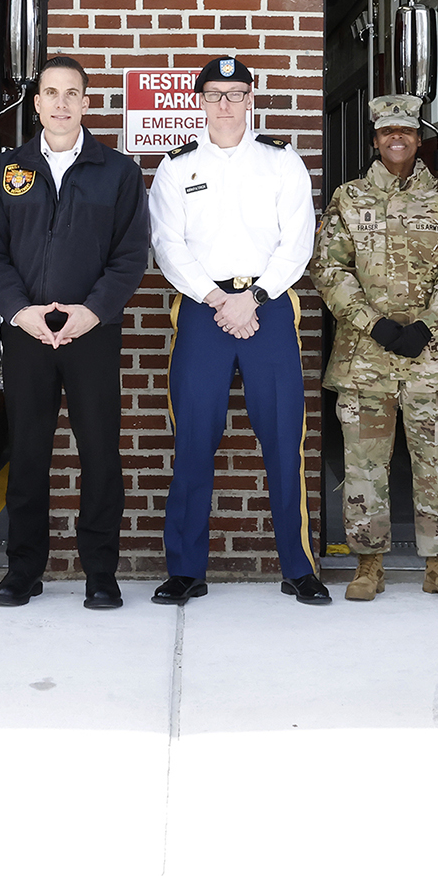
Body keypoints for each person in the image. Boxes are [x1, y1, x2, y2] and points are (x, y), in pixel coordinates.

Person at [147, 56, 327, 606]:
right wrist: (217, 298)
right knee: (193, 439)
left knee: (284, 442)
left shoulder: (281, 161)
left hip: (267, 307)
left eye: (235, 93)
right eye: (214, 94)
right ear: (198, 101)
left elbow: (298, 239)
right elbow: (167, 244)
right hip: (203, 310)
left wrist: (255, 297)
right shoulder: (176, 167)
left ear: (251, 98)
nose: (224, 103)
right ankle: (186, 570)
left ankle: (299, 568)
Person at [0, 56, 150, 610]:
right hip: (27, 333)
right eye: (51, 92)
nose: (61, 103)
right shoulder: (6, 170)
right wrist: (18, 311)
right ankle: (23, 570)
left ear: (86, 102)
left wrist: (91, 312)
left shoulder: (117, 171)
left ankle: (101, 572)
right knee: (27, 454)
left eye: (72, 93)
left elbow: (130, 255)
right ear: (36, 103)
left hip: (92, 332)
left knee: (100, 453)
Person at [313, 94, 438, 604]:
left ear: (418, 139)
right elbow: (328, 267)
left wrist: (429, 325)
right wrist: (373, 324)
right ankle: (368, 564)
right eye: (388, 131)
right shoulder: (349, 199)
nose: (396, 138)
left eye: (406, 131)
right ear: (375, 139)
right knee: (364, 467)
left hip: (431, 361)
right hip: (365, 360)